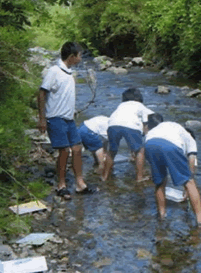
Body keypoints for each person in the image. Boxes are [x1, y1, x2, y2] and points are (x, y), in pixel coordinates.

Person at [37, 42, 93, 200]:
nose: (81, 58)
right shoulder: (54, 71)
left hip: (68, 119)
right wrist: (42, 119)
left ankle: (80, 183)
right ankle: (61, 185)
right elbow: (41, 93)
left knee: (76, 149)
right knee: (64, 151)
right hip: (55, 118)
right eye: (79, 55)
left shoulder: (68, 72)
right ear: (71, 57)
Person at [144, 113, 201, 225]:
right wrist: (187, 187)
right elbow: (192, 162)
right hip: (169, 145)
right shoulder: (190, 140)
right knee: (190, 183)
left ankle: (162, 215)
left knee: (160, 182)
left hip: (149, 143)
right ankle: (200, 221)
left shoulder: (170, 127)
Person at [102, 88, 153, 182]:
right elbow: (148, 120)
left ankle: (105, 177)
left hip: (112, 125)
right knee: (140, 151)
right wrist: (146, 134)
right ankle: (140, 177)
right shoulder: (140, 105)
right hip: (131, 125)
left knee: (112, 151)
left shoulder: (121, 105)